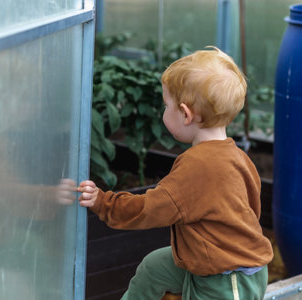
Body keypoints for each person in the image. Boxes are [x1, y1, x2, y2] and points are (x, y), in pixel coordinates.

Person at [78, 47, 273, 300]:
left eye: (166, 105)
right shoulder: (238, 156)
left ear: (185, 113)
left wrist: (103, 202)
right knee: (155, 266)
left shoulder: (197, 167)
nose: (163, 111)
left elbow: (149, 208)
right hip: (211, 261)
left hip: (228, 279)